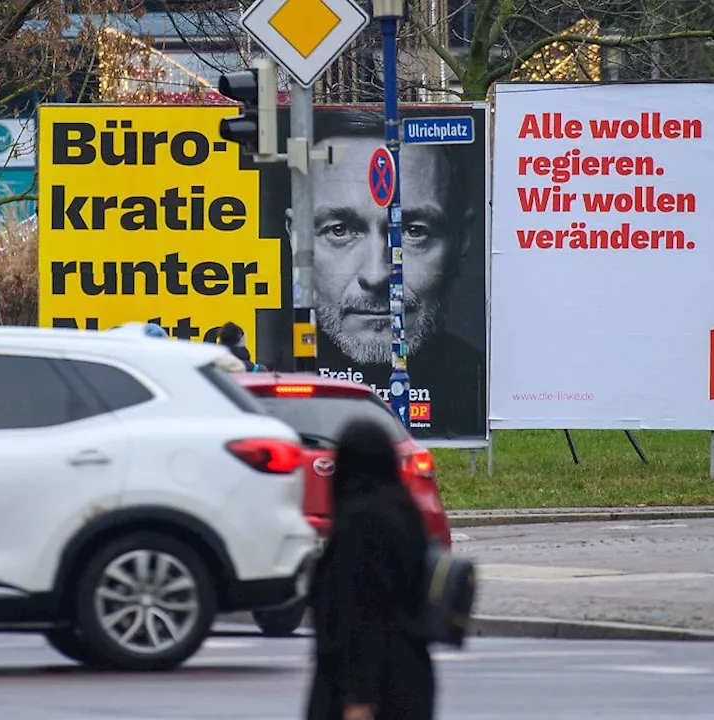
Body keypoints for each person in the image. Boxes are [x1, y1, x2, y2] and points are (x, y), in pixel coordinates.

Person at [293, 108, 485, 437]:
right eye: (339, 230)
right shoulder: (271, 381)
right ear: (296, 237)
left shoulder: (482, 380)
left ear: (461, 241)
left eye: (413, 231)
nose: (377, 273)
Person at [303, 418, 435, 720]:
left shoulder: (359, 523)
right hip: (411, 676)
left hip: (364, 687)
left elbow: (359, 612)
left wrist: (358, 697)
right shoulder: (406, 513)